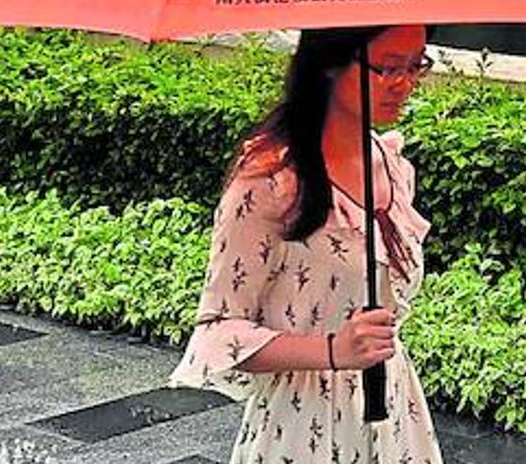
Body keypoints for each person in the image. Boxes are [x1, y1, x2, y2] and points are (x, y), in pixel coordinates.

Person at [170, 24, 442, 464]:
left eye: (417, 66)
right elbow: (218, 330)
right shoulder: (270, 182)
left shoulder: (390, 164)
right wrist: (334, 351)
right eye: (388, 68)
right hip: (302, 429)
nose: (405, 84)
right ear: (331, 63)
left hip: (393, 412)